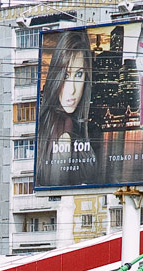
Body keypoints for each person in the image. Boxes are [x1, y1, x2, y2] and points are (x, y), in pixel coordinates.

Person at [35, 29, 97, 187]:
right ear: (56, 76)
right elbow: (58, 186)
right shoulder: (66, 131)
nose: (73, 90)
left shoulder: (48, 122)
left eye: (79, 74)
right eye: (66, 75)